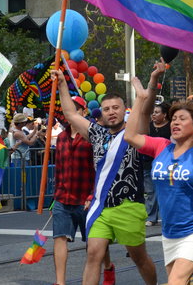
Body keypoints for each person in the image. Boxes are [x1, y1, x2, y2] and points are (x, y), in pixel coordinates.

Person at [51, 69, 157, 285]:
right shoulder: (96, 133)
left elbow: (145, 113)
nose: (111, 112)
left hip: (129, 206)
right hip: (101, 208)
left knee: (139, 258)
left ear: (124, 110)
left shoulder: (134, 133)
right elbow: (71, 115)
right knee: (93, 254)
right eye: (106, 109)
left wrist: (149, 86)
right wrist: (62, 83)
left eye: (116, 108)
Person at [124, 62, 193, 285]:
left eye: (182, 119)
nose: (176, 122)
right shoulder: (161, 146)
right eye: (174, 119)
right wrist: (140, 99)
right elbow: (130, 136)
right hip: (170, 233)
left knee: (175, 282)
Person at [52, 96, 114, 285]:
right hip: (63, 198)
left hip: (88, 199)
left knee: (95, 244)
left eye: (76, 109)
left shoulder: (94, 137)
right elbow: (59, 168)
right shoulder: (61, 138)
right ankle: (60, 282)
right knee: (59, 238)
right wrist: (56, 193)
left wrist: (92, 195)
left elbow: (101, 169)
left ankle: (108, 267)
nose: (71, 113)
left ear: (83, 112)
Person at [142, 102, 171, 227]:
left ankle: (168, 217)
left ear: (164, 115)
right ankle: (151, 217)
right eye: (153, 112)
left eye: (157, 112)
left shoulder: (171, 126)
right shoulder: (148, 127)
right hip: (148, 163)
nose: (154, 115)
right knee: (150, 192)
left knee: (166, 191)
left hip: (166, 164)